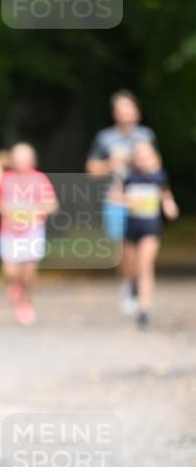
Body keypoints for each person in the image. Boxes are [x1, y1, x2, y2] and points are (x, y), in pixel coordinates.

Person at [86, 90, 157, 314]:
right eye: (121, 110)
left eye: (129, 109)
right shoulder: (105, 138)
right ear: (115, 114)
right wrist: (111, 163)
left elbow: (156, 166)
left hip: (141, 199)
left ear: (137, 112)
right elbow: (91, 170)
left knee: (143, 247)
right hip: (115, 199)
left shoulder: (146, 136)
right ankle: (129, 283)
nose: (126, 114)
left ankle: (140, 287)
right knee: (123, 249)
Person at [109, 141, 179, 329]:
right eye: (139, 156)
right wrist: (127, 200)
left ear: (154, 158)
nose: (143, 160)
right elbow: (113, 197)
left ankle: (144, 310)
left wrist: (169, 205)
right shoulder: (128, 176)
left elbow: (165, 194)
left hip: (151, 227)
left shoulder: (159, 175)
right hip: (131, 227)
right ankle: (131, 286)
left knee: (145, 266)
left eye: (146, 156)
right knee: (131, 267)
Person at [0, 142, 58, 325]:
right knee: (11, 272)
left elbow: (52, 205)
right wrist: (8, 212)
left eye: (25, 158)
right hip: (9, 232)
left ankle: (26, 303)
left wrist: (34, 210)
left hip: (32, 230)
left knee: (28, 272)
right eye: (18, 158)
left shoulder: (40, 179)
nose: (21, 162)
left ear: (32, 160)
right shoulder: (5, 179)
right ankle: (14, 285)